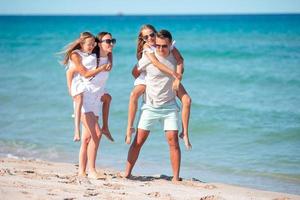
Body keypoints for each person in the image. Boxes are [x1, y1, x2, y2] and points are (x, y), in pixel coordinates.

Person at [124, 29, 182, 181]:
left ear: (170, 44)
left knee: (173, 141)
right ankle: (127, 173)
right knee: (138, 141)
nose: (161, 48)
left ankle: (176, 178)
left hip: (169, 106)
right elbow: (135, 72)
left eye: (164, 46)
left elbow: (181, 62)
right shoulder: (148, 56)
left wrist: (177, 78)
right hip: (150, 106)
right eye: (158, 46)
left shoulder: (173, 55)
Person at [125, 24, 192, 150]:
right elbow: (154, 63)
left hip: (168, 78)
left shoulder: (165, 45)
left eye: (152, 34)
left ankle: (185, 133)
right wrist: (173, 73)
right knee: (133, 95)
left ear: (156, 33)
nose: (150, 38)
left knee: (187, 100)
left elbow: (180, 59)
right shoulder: (147, 48)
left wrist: (177, 78)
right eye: (146, 37)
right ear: (143, 39)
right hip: (146, 77)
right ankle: (129, 128)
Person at [63, 31, 115, 178]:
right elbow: (73, 72)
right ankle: (92, 170)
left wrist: (109, 60)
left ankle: (81, 172)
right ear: (100, 43)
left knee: (87, 139)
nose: (111, 44)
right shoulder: (80, 55)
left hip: (95, 100)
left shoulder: (103, 56)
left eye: (112, 41)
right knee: (96, 134)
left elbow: (106, 57)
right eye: (108, 41)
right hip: (84, 98)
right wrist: (71, 92)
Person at [65, 32, 114, 142]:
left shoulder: (90, 54)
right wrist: (70, 89)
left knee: (108, 98)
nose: (92, 47)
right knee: (79, 99)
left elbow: (109, 52)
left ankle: (105, 127)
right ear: (82, 44)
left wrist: (110, 60)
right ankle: (76, 131)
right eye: (89, 44)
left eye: (93, 44)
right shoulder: (75, 55)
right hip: (78, 83)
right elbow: (72, 72)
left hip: (87, 85)